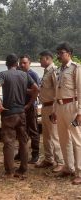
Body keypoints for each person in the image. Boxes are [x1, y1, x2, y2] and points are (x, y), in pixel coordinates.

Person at [0, 54, 39, 178]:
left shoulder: (3, 74)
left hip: (8, 114)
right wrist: (29, 104)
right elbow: (36, 89)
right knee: (23, 141)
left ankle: (9, 171)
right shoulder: (24, 75)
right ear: (17, 64)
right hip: (21, 113)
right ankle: (23, 169)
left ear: (6, 64)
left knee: (9, 142)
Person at [51, 42, 81, 185]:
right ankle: (69, 168)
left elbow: (80, 91)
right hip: (61, 107)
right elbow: (57, 92)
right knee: (63, 139)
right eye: (57, 52)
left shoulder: (76, 68)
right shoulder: (59, 70)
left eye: (61, 52)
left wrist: (80, 112)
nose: (59, 55)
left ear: (69, 53)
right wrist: (54, 110)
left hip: (72, 107)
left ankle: (79, 172)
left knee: (77, 140)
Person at [35, 50, 64, 172]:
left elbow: (57, 91)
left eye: (41, 59)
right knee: (46, 135)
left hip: (52, 106)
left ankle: (60, 161)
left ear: (47, 59)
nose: (40, 61)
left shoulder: (54, 71)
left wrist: (55, 110)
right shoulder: (46, 72)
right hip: (45, 107)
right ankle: (48, 158)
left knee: (54, 135)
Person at [14, 55, 40, 164]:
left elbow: (36, 91)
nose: (22, 64)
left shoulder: (33, 74)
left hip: (30, 106)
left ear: (29, 63)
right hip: (21, 107)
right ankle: (21, 153)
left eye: (24, 63)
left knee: (33, 130)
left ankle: (35, 154)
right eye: (21, 63)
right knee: (21, 131)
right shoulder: (20, 74)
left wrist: (24, 91)